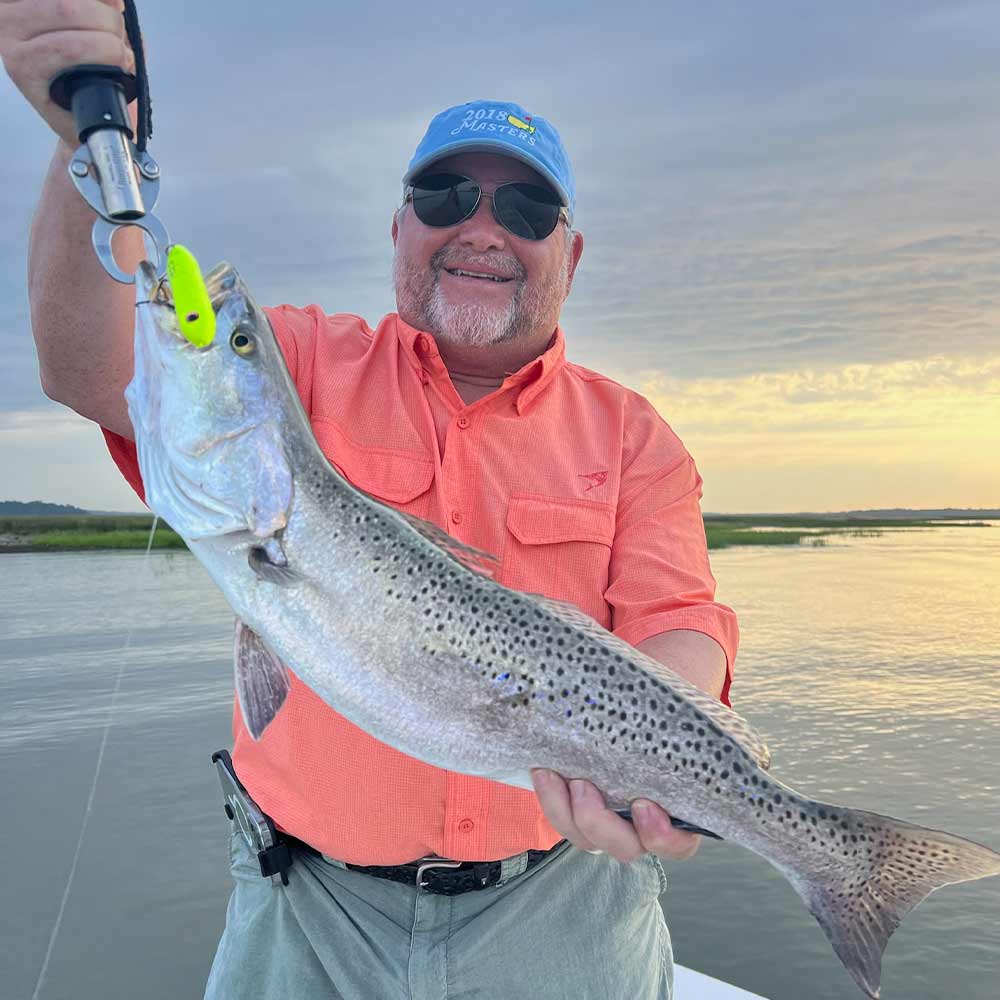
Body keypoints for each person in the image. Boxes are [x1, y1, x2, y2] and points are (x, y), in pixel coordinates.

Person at [5, 5, 738, 998]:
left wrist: (655, 755)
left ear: (570, 256)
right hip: (306, 905)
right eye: (445, 196)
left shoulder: (635, 436)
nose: (482, 227)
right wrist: (83, 150)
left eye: (527, 210)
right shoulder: (301, 360)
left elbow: (679, 620)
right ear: (399, 229)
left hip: (565, 901)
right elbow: (90, 367)